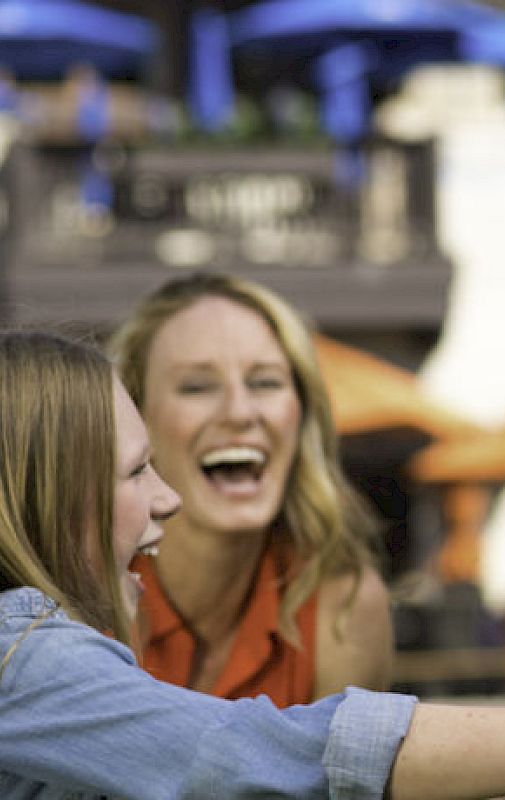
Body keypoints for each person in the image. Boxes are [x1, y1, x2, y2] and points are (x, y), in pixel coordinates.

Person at [0, 329, 505, 799]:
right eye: (136, 472)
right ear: (51, 487)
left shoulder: (337, 590)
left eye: (266, 382)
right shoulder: (23, 654)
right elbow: (244, 758)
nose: (167, 499)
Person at [109, 272, 393, 704]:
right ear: (135, 419)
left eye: (265, 382)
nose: (240, 412)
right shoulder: (78, 600)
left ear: (302, 412)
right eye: (197, 386)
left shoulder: (346, 609)